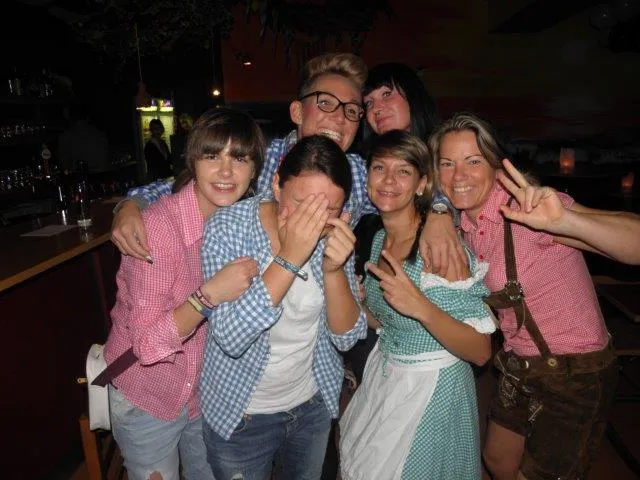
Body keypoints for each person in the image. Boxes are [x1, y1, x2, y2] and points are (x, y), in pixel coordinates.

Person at [109, 53, 465, 280]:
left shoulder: (359, 173)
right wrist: (131, 204)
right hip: (243, 314)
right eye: (325, 103)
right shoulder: (260, 158)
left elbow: (416, 190)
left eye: (351, 110)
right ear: (297, 112)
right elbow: (184, 184)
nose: (338, 117)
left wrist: (438, 213)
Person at [428, 112, 640, 480]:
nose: (458, 175)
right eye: (447, 163)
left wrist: (566, 222)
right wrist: (437, 211)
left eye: (473, 161)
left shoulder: (530, 210)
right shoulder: (464, 224)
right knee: (497, 459)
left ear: (497, 167)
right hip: (520, 364)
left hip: (576, 370)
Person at [103, 108, 265, 480]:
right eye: (213, 156)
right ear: (193, 161)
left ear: (254, 170)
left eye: (239, 159)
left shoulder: (240, 224)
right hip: (147, 396)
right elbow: (146, 345)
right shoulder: (160, 229)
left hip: (203, 394)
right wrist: (209, 296)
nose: (226, 172)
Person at [199, 134, 367, 479]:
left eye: (328, 210)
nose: (313, 220)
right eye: (302, 203)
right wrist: (289, 257)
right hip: (241, 414)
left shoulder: (334, 232)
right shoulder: (229, 227)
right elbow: (229, 338)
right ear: (276, 185)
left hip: (311, 405)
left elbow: (347, 338)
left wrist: (334, 271)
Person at [339, 130, 495, 479]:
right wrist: (361, 305)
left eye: (404, 171)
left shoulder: (438, 249)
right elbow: (389, 323)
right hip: (387, 377)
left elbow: (481, 350)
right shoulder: (380, 238)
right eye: (380, 168)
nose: (388, 180)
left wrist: (420, 305)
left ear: (422, 184)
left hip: (433, 388)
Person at [347, 62, 457, 385]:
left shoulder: (444, 149)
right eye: (368, 103)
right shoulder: (366, 166)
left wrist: (439, 211)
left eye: (386, 95)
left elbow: (465, 188)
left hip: (441, 312)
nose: (376, 108)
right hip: (380, 304)